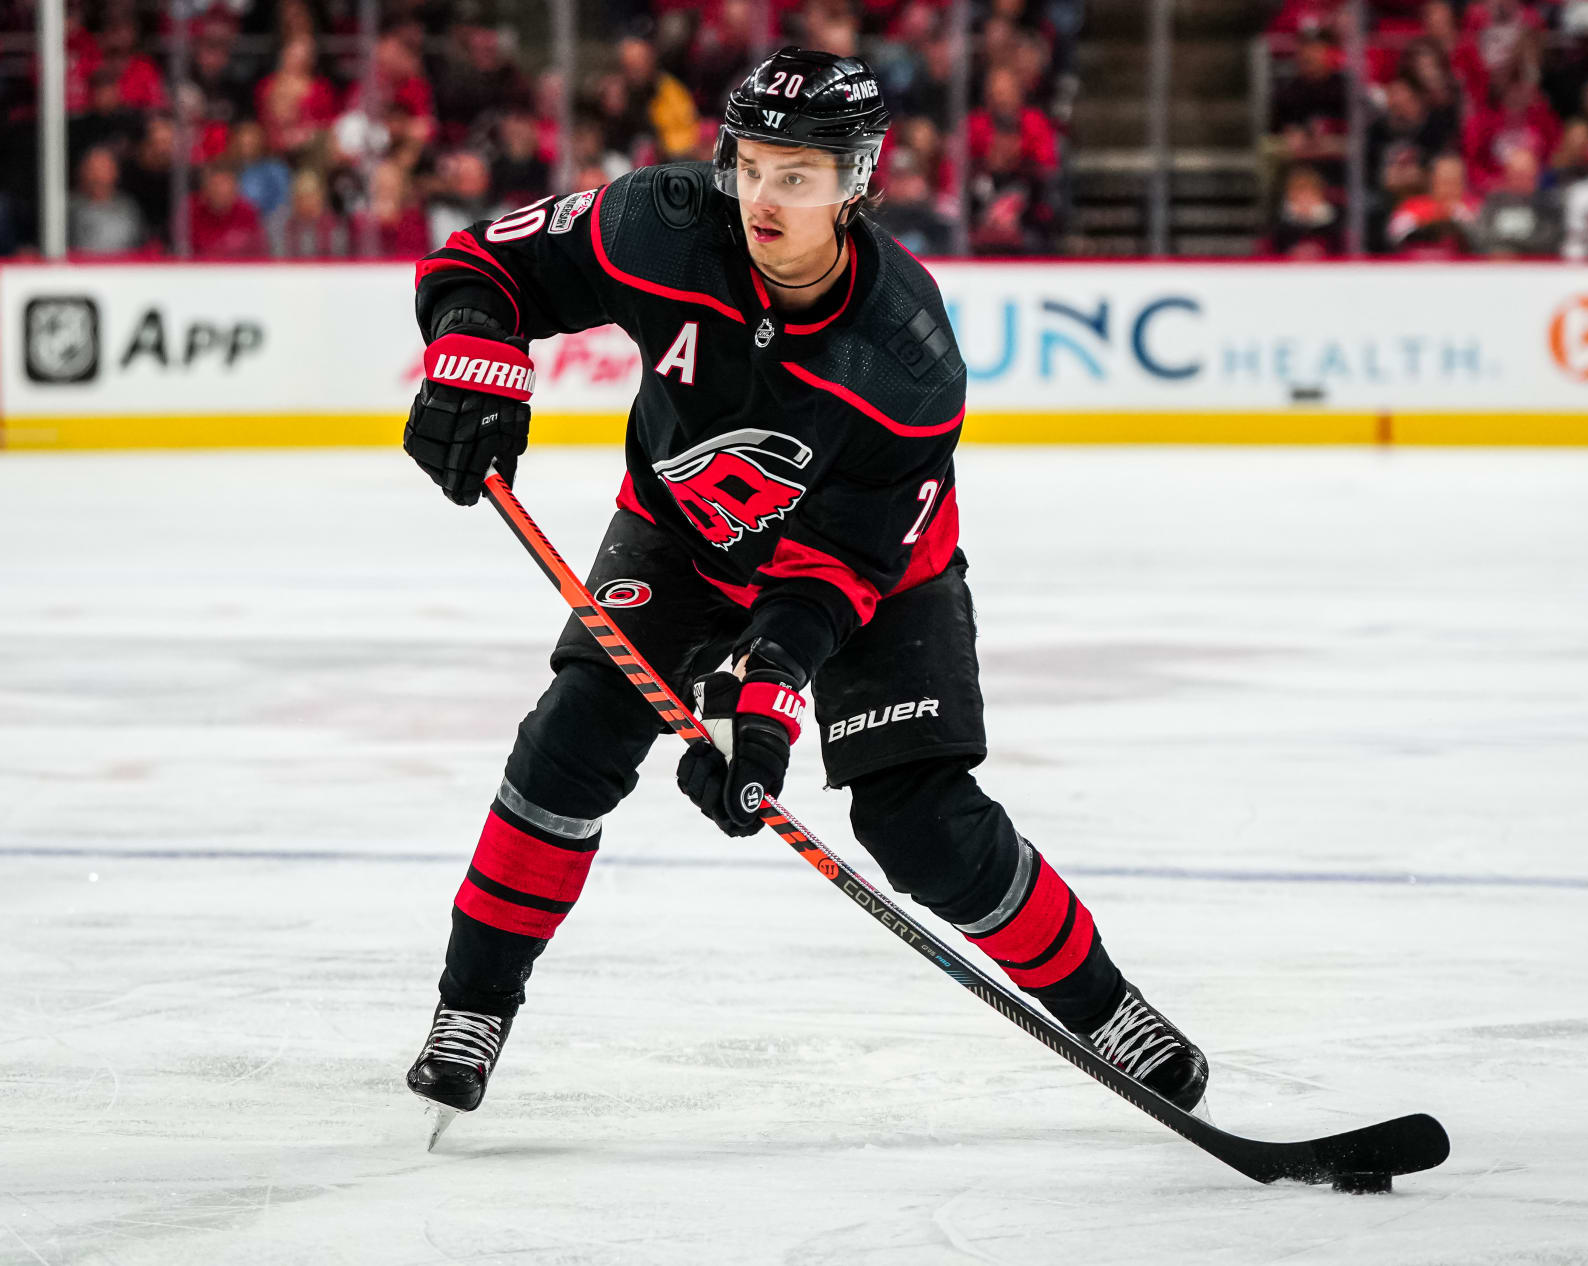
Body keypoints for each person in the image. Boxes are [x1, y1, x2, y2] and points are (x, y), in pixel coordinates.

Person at [400, 47, 1210, 1135]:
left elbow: (836, 568)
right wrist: (472, 359)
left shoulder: (908, 360)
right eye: (750, 165)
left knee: (921, 825)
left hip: (875, 578)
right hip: (681, 535)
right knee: (570, 744)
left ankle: (1108, 1010)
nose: (764, 198)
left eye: (799, 175)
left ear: (856, 180)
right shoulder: (662, 224)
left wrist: (766, 699)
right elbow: (480, 266)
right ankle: (472, 1012)